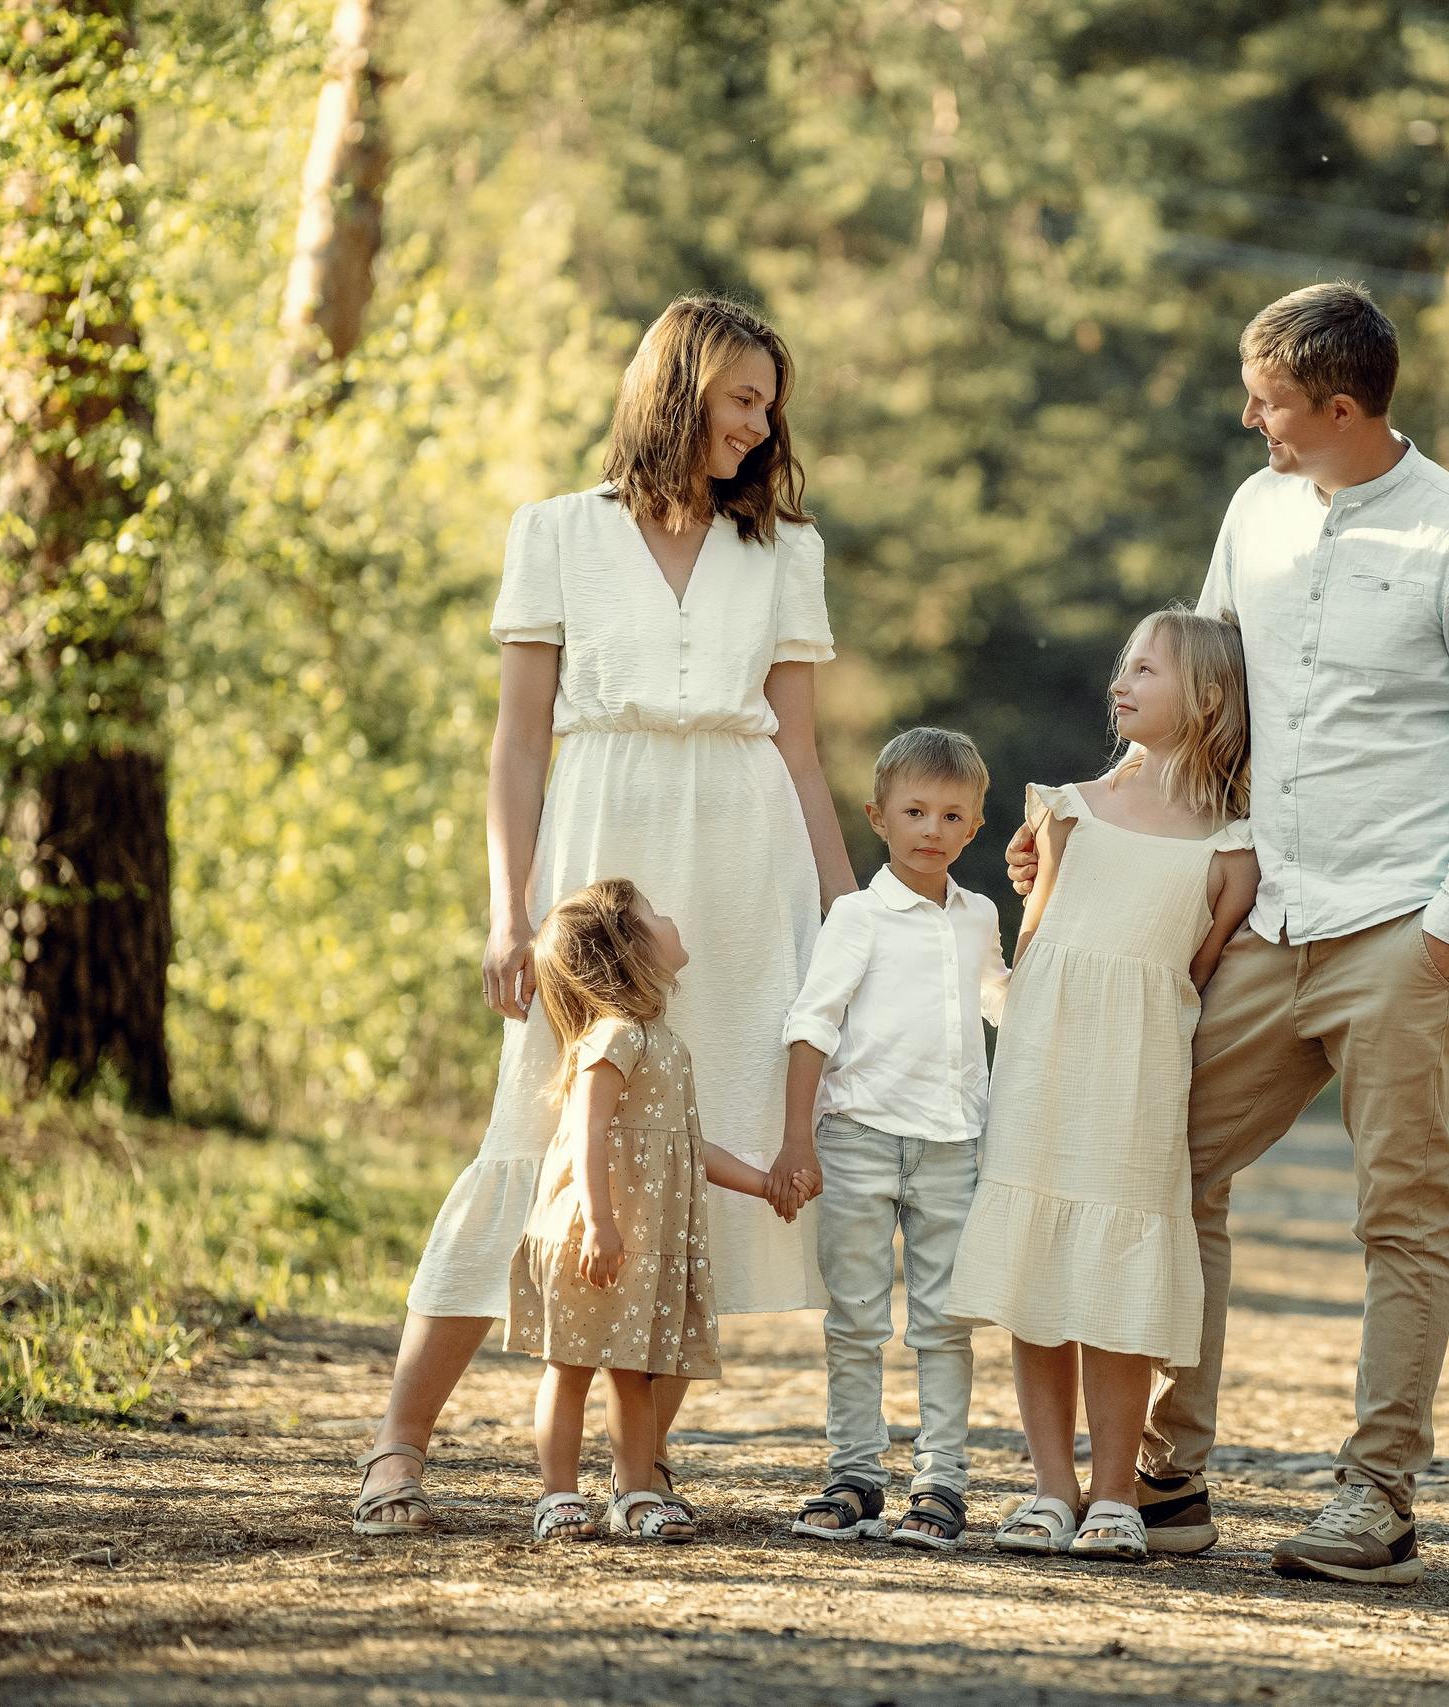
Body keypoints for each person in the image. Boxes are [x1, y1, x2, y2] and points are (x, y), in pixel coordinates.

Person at [1007, 284, 1449, 1585]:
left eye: (1271, 402)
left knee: (1400, 1210)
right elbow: (1202, 705)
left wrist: (1447, 930)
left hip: (1400, 928)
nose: (1251, 419)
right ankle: (1170, 1468)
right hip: (1266, 911)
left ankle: (1377, 1492)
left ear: (1346, 407)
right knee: (1161, 1151)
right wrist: (1096, 828)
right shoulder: (1254, 512)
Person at [352, 296, 854, 1536]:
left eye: (769, 403)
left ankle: (638, 1463)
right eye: (742, 397)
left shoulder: (785, 548)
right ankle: (396, 1446)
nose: (762, 422)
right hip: (598, 854)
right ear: (678, 391)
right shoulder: (557, 534)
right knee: (532, 1136)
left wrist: (851, 919)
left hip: (744, 864)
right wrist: (505, 909)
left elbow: (800, 754)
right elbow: (518, 743)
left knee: (687, 1142)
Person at [951, 609, 1259, 1562]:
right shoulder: (1067, 806)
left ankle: (1118, 1493)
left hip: (1137, 1071)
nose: (1119, 683)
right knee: (1040, 1268)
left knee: (1117, 1274)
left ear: (1206, 698)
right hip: (1046, 1055)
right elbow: (1036, 938)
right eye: (1121, 667)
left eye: (1145, 670)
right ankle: (1051, 1488)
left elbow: (1196, 972)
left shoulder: (1232, 845)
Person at [778, 727, 1009, 1552]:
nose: (931, 829)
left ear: (975, 826)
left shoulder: (977, 915)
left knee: (946, 1321)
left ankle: (942, 1481)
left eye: (952, 815)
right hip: (858, 1140)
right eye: (915, 810)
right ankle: (855, 1474)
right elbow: (813, 1024)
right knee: (856, 1318)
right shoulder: (857, 916)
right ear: (878, 815)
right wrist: (796, 1142)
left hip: (952, 1143)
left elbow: (1001, 1003)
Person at [506, 880, 791, 1542]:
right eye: (653, 914)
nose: (670, 917)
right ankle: (558, 1494)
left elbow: (687, 1149)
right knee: (571, 1365)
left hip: (636, 1238)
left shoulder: (660, 1040)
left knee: (636, 1371)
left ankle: (634, 1492)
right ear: (627, 947)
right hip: (593, 1233)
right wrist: (600, 1222)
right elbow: (587, 1129)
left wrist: (764, 1182)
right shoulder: (614, 1038)